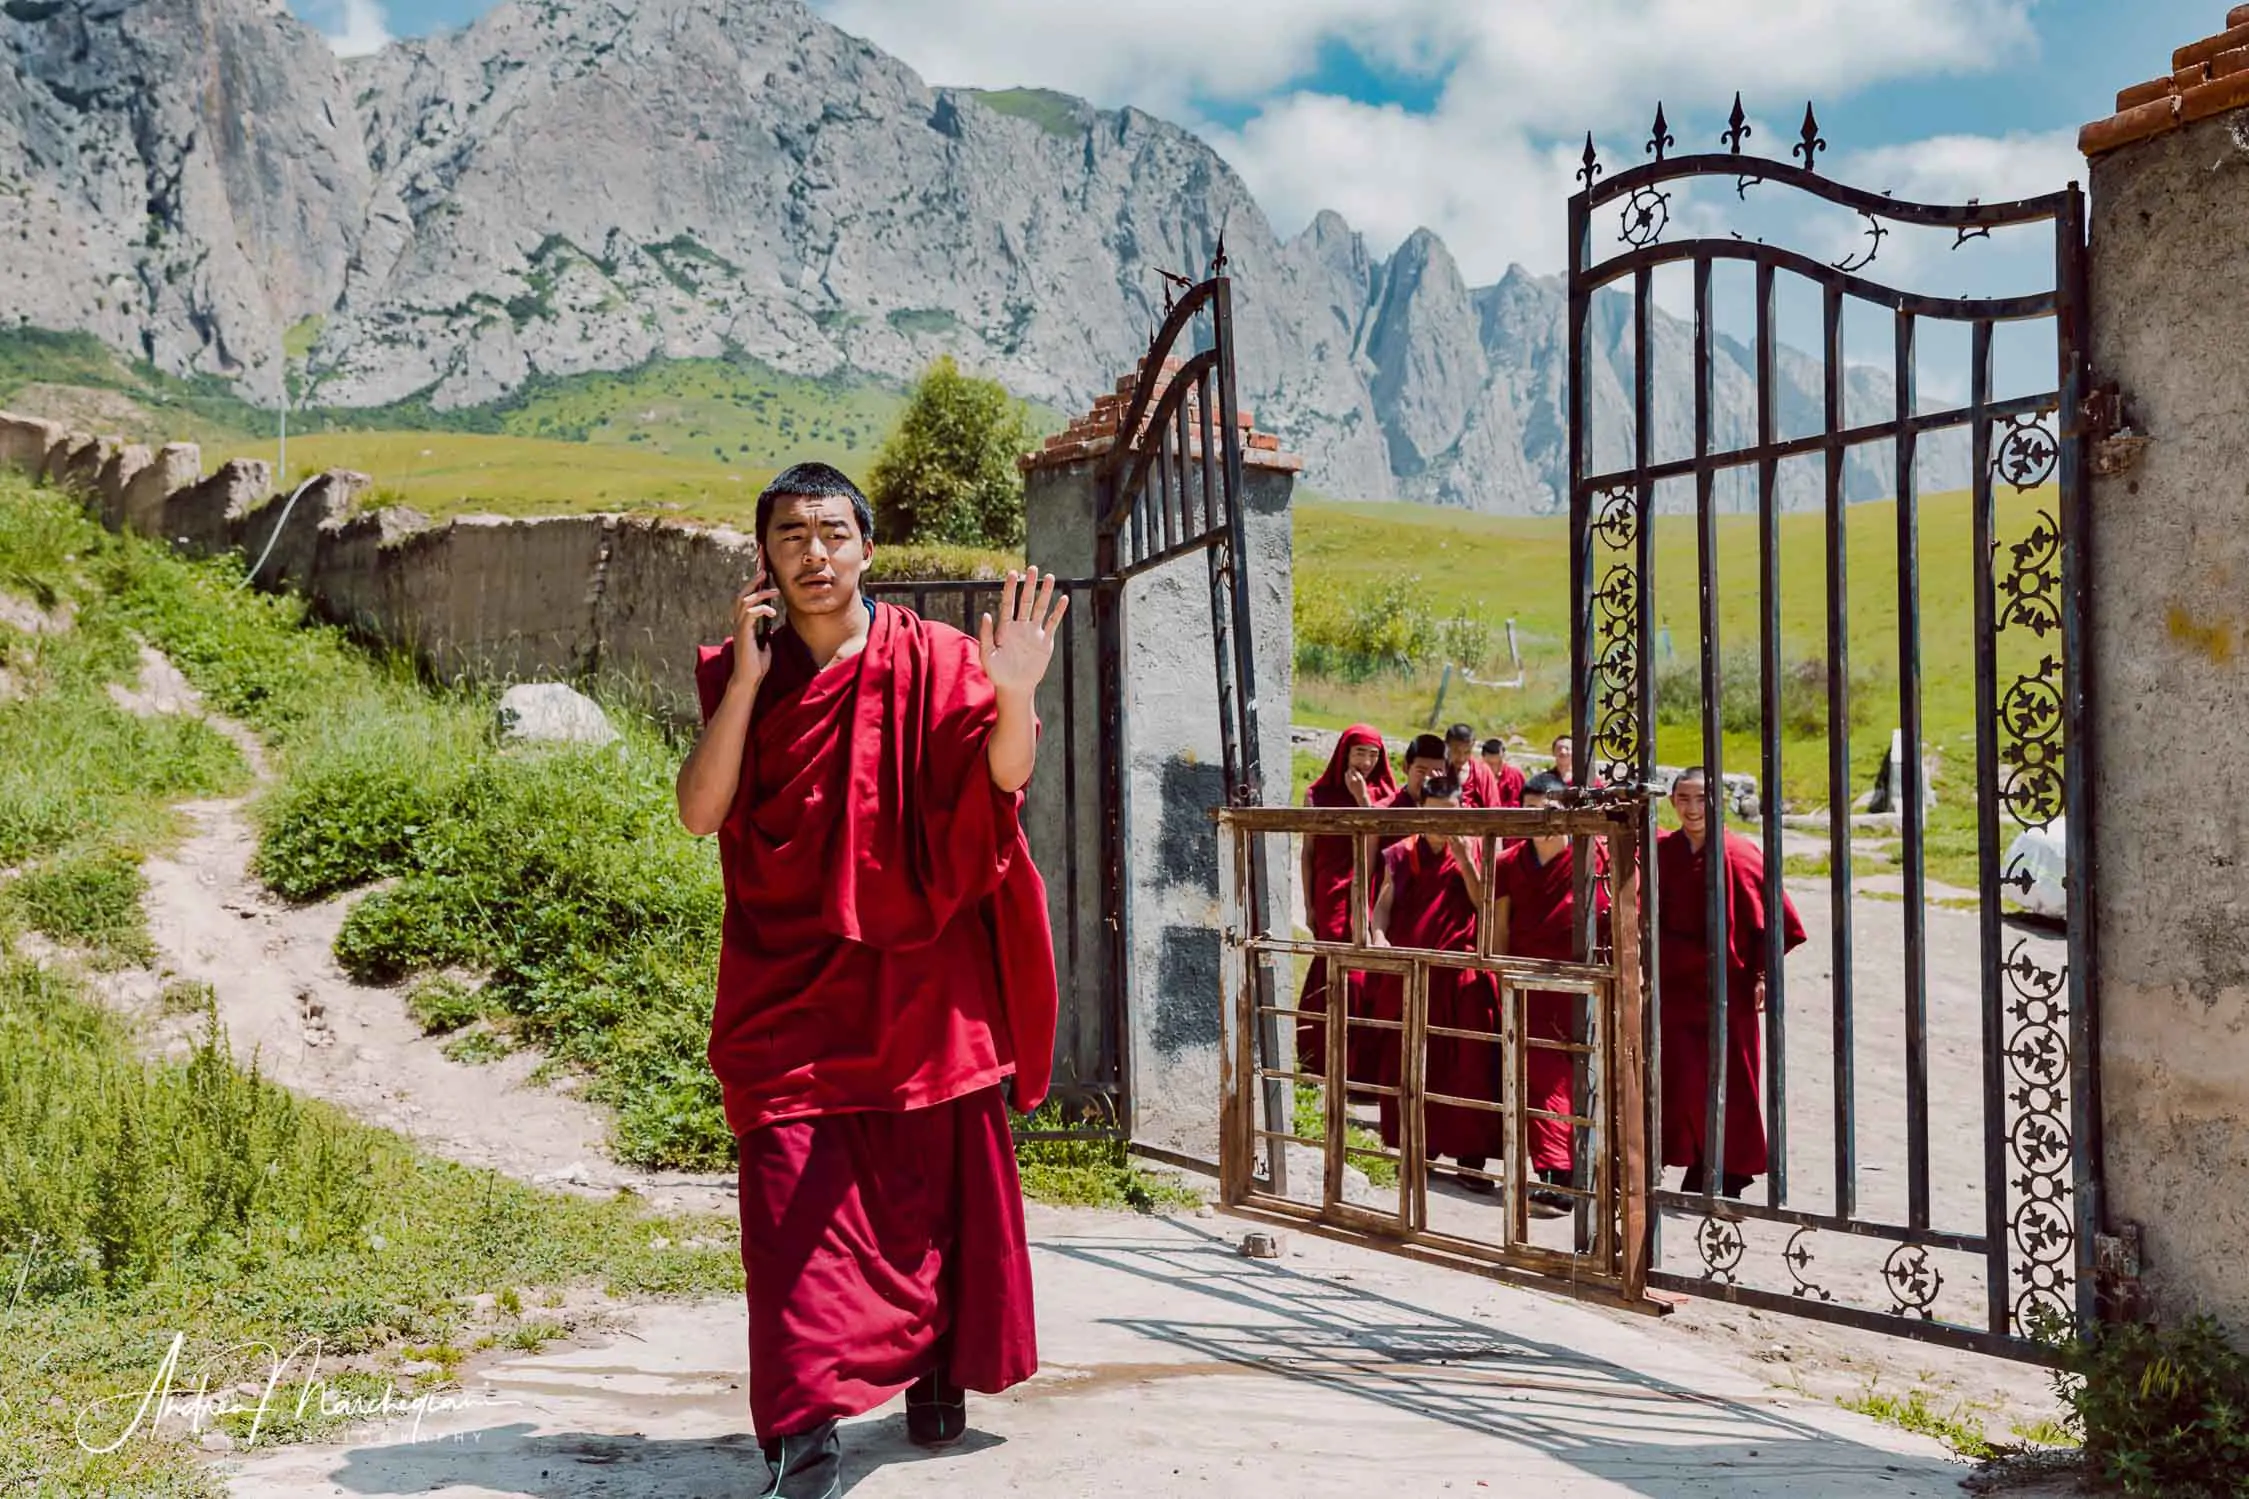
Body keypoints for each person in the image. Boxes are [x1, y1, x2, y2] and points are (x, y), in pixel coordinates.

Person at [674, 462, 1065, 1498]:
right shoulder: (734, 672)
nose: (814, 553)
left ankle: (935, 1361)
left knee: (925, 1194)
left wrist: (1016, 692)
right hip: (785, 984)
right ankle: (803, 1433)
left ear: (867, 549)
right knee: (786, 1203)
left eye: (833, 533)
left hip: (919, 982)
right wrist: (751, 684)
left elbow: (1001, 781)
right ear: (764, 556)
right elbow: (699, 811)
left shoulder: (933, 659)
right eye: (791, 535)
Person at [1655, 766, 1806, 1201]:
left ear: (1717, 801)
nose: (1692, 808)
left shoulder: (1740, 854)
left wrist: (1760, 974)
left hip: (1729, 986)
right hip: (1677, 987)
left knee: (1732, 1078)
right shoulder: (1664, 850)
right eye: (1683, 799)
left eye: (1701, 799)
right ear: (1671, 802)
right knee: (1681, 1079)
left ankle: (1730, 1172)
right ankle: (1698, 1160)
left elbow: (1776, 920)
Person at [1365, 771, 1503, 1191]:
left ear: (1463, 811)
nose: (1442, 821)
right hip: (1412, 972)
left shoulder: (1478, 849)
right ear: (1421, 811)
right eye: (1434, 813)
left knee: (1469, 1067)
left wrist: (1464, 862)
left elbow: (1486, 905)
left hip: (1461, 974)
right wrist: (1378, 936)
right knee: (1410, 1061)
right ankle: (1416, 1149)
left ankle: (1471, 1160)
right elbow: (1384, 904)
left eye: (1451, 813)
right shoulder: (1401, 852)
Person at [1491, 771, 1608, 1219]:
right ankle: (1557, 1175)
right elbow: (1501, 925)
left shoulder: (1591, 857)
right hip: (1527, 984)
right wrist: (1502, 974)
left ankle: (1582, 1171)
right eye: (1532, 808)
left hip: (1580, 984)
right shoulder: (1508, 862)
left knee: (1584, 1077)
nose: (1542, 818)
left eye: (1551, 809)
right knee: (1539, 1083)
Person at [1296, 726, 1397, 1076]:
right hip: (1331, 890)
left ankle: (1360, 1064)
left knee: (1360, 970)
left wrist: (1363, 801)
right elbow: (1308, 853)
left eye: (1373, 754)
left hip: (1370, 888)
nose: (1367, 762)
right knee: (1331, 961)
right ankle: (1319, 1054)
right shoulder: (1318, 794)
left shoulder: (1387, 794)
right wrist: (1308, 904)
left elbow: (1385, 842)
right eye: (1359, 753)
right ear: (1344, 754)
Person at [1445, 721, 1513, 808]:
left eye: (1467, 752)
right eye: (1456, 751)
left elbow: (1493, 807)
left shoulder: (1482, 771)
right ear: (1447, 746)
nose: (1461, 758)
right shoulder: (1439, 770)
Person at [1390, 732, 1451, 806]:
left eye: (1437, 771)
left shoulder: (1453, 808)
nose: (1427, 779)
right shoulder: (1385, 810)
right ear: (1406, 768)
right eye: (1421, 771)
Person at [1479, 736, 1527, 809]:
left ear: (1504, 757)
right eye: (1490, 764)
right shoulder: (1476, 777)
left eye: (1499, 763)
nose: (1495, 768)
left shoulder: (1516, 775)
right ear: (1483, 758)